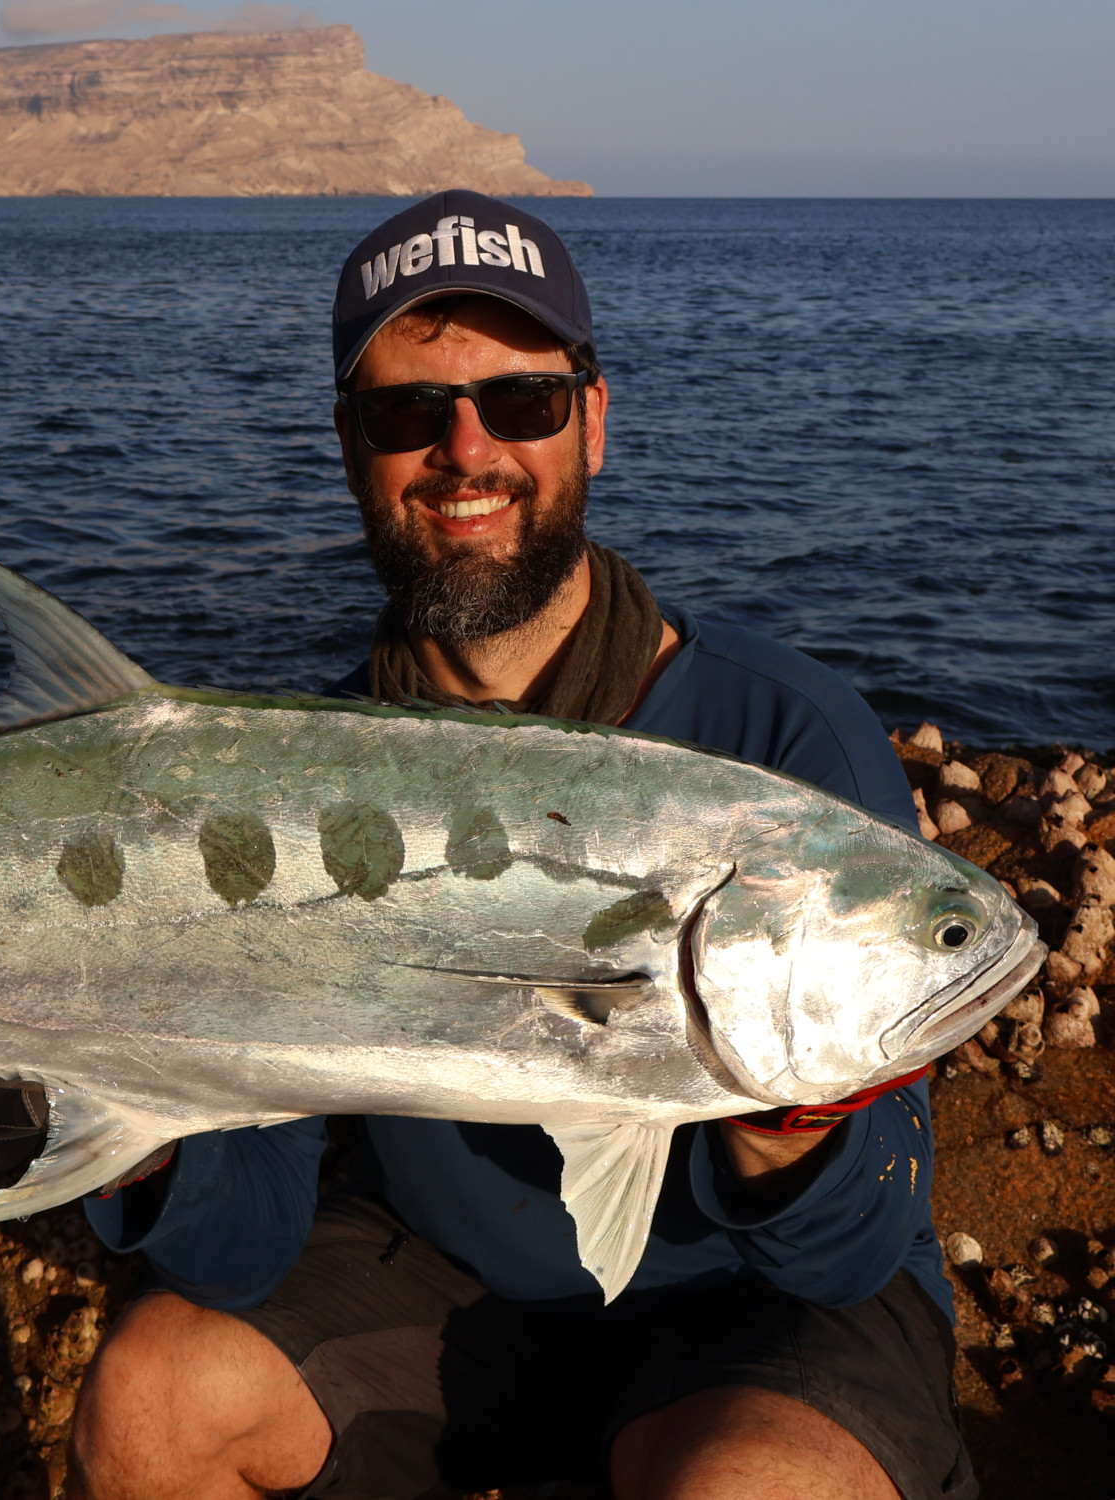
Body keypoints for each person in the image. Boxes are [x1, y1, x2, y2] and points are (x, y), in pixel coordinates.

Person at [63, 192, 972, 1500]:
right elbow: (247, 1238)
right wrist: (121, 1103)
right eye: (408, 413)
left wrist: (795, 1136)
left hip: (742, 1304)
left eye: (522, 402)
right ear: (350, 448)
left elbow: (844, 1256)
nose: (466, 449)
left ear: (594, 421)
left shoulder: (780, 742)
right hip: (444, 1284)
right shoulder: (293, 790)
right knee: (155, 1404)